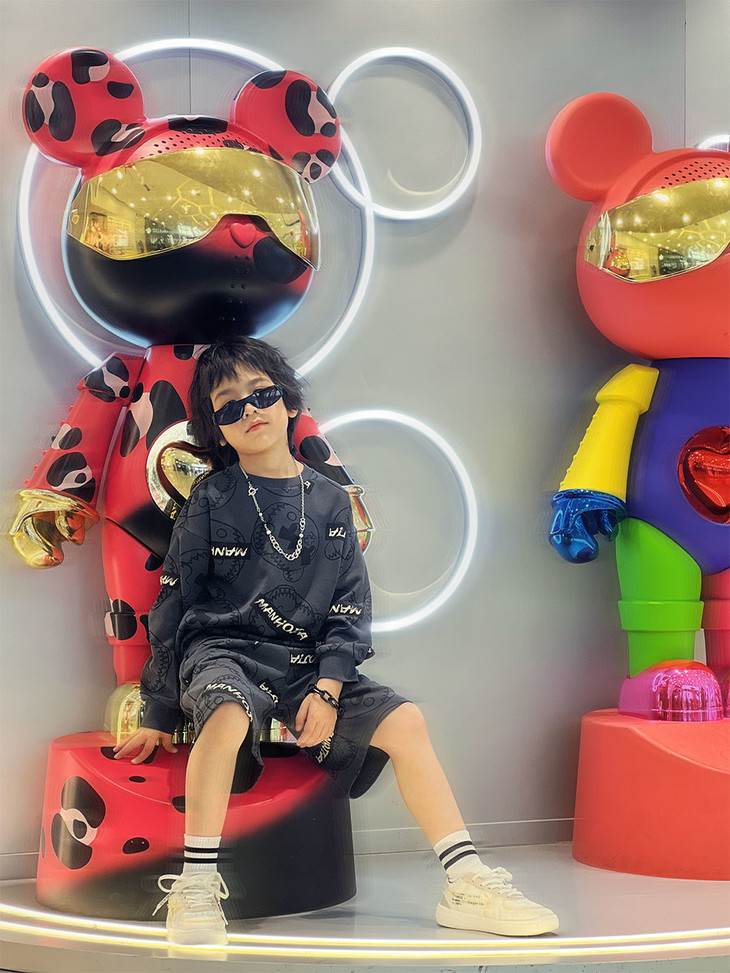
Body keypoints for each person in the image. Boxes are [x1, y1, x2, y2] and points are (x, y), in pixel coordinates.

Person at [114, 336, 559, 946]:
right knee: (225, 710)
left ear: (289, 402)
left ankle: (466, 880)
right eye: (228, 404)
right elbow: (174, 605)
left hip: (306, 664)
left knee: (406, 722)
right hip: (225, 653)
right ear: (215, 428)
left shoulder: (330, 501)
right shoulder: (210, 500)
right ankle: (196, 885)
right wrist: (158, 711)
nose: (249, 410)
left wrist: (327, 688)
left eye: (261, 393)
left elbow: (350, 607)